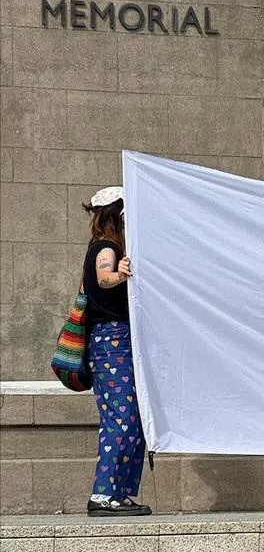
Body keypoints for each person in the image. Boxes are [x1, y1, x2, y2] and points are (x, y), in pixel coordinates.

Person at [82, 186, 151, 517]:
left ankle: (120, 492)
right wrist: (118, 274)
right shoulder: (106, 248)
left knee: (134, 419)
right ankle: (104, 493)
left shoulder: (103, 246)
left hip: (116, 341)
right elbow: (103, 275)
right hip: (111, 343)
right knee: (122, 418)